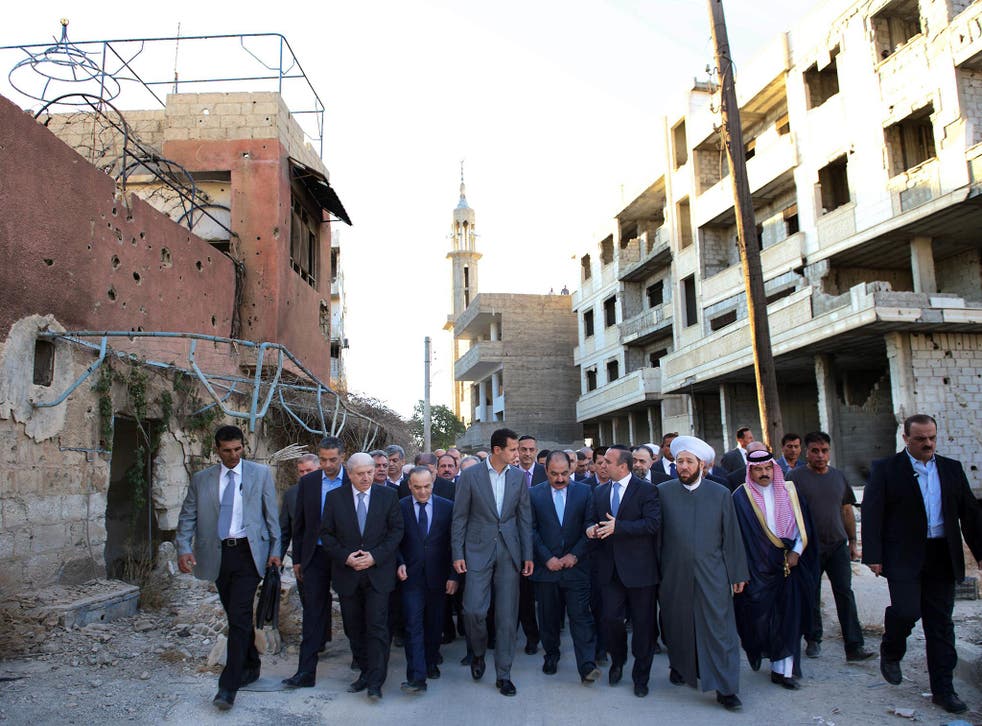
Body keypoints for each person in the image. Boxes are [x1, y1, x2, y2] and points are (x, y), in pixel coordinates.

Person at [863, 414, 982, 715]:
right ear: (906, 439)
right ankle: (892, 648)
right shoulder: (887, 469)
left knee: (940, 625)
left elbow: (970, 514)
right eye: (920, 439)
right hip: (903, 554)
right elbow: (873, 512)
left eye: (932, 438)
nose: (928, 444)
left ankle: (944, 691)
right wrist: (873, 555)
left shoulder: (951, 469)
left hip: (942, 555)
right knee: (906, 611)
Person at [176, 425, 280, 711]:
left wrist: (275, 551)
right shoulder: (202, 479)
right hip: (218, 556)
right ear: (217, 450)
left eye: (238, 449)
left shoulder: (259, 475)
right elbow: (188, 515)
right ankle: (251, 664)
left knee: (238, 615)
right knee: (237, 616)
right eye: (227, 451)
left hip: (249, 554)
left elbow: (272, 517)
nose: (233, 455)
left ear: (243, 446)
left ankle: (228, 686)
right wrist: (184, 547)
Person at [657, 435, 748, 711]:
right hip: (673, 573)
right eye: (679, 461)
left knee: (720, 630)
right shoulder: (663, 492)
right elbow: (656, 536)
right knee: (676, 624)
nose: (682, 466)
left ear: (703, 466)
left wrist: (737, 574)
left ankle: (726, 688)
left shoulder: (720, 493)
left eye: (688, 462)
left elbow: (731, 536)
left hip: (713, 574)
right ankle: (681, 666)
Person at [451, 428, 533, 697]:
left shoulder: (519, 478)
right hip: (476, 550)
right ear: (497, 450)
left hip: (510, 551)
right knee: (473, 610)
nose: (517, 454)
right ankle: (477, 653)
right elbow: (460, 517)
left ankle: (504, 674)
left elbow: (524, 518)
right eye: (512, 449)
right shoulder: (471, 475)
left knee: (507, 616)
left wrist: (527, 555)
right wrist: (457, 553)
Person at [321, 452, 404, 701]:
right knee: (353, 627)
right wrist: (346, 557)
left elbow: (396, 531)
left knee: (377, 627)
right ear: (350, 473)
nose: (366, 477)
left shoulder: (388, 496)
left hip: (378, 574)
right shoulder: (335, 498)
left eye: (369, 472)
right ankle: (365, 672)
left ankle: (376, 681)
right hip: (348, 575)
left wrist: (375, 556)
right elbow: (327, 535)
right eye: (360, 474)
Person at [733, 449, 817, 690]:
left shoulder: (790, 491)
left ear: (774, 469)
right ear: (750, 471)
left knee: (789, 617)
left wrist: (796, 553)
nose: (764, 473)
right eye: (758, 469)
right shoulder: (741, 497)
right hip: (757, 570)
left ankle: (784, 671)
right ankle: (765, 653)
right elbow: (737, 536)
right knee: (759, 619)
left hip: (789, 566)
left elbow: (803, 526)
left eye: (768, 468)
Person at [787, 432, 874, 662]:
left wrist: (853, 541)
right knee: (811, 593)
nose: (820, 455)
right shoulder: (795, 477)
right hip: (809, 547)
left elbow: (846, 510)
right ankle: (813, 639)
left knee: (845, 593)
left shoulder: (838, 477)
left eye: (824, 450)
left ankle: (854, 646)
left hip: (837, 546)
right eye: (815, 451)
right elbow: (788, 513)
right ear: (807, 452)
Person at [586, 446, 661, 697]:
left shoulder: (647, 490)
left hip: (640, 571)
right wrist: (590, 529)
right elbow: (591, 520)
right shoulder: (599, 492)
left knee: (643, 626)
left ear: (623, 466)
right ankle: (617, 661)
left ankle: (641, 676)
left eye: (608, 461)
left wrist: (620, 527)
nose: (602, 465)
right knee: (610, 621)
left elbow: (651, 524)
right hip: (609, 571)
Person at [283, 436, 349, 688]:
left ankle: (364, 666)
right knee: (312, 613)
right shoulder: (309, 482)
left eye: (333, 459)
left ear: (342, 456)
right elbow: (299, 525)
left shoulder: (350, 480)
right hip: (315, 557)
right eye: (323, 459)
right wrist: (298, 559)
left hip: (344, 556)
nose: (328, 464)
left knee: (352, 611)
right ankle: (305, 672)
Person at [530, 451, 601, 684]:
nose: (560, 479)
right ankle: (551, 654)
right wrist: (547, 557)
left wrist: (575, 555)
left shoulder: (584, 491)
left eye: (564, 474)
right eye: (554, 474)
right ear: (546, 471)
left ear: (571, 469)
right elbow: (530, 530)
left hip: (576, 568)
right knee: (549, 618)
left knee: (581, 617)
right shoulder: (534, 494)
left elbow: (589, 526)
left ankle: (587, 665)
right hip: (546, 569)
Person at [396, 467, 458, 694]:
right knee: (413, 625)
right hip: (410, 578)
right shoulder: (400, 507)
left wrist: (454, 576)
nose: (422, 492)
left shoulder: (447, 507)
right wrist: (399, 562)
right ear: (409, 485)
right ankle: (416, 676)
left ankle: (431, 662)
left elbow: (454, 543)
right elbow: (394, 540)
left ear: (433, 483)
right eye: (417, 487)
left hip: (439, 577)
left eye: (427, 486)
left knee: (434, 624)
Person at [280, 453, 319, 560]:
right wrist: (277, 557)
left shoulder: (331, 491)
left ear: (319, 469)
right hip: (302, 556)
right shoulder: (291, 494)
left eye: (308, 470)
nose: (305, 474)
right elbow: (285, 530)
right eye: (301, 471)